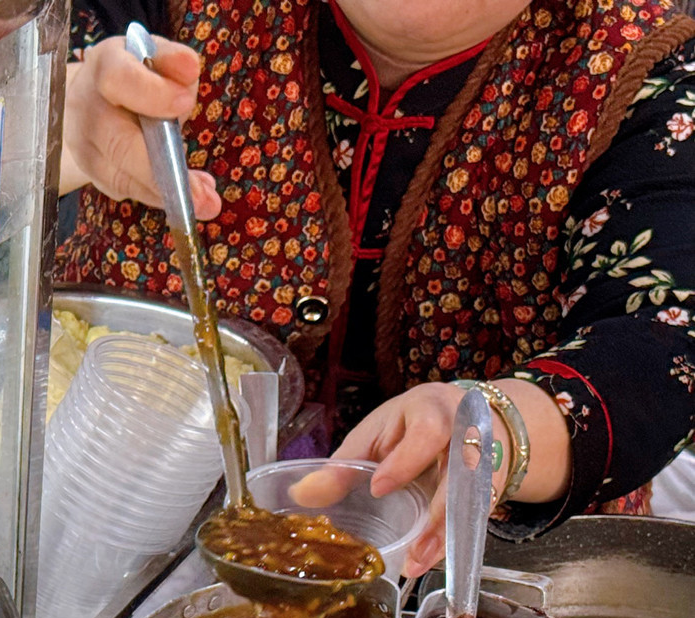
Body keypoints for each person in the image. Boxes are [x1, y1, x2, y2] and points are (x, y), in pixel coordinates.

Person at [57, 0, 695, 573]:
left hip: (487, 602)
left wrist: (495, 427)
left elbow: (663, 342)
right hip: (104, 551)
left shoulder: (643, 67)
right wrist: (60, 124)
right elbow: (3, 124)